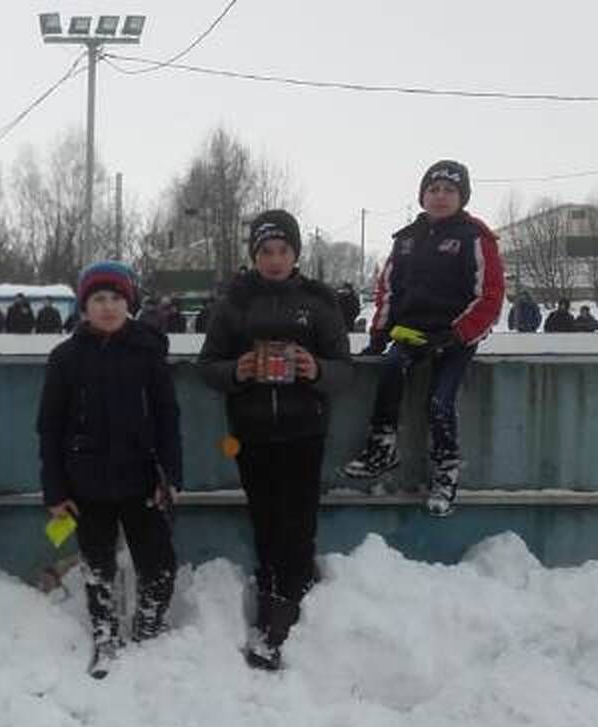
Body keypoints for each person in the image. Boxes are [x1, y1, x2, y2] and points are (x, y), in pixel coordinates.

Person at [199, 211, 350, 671]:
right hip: (252, 431)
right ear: (254, 256)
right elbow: (208, 365)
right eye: (266, 251)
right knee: (265, 519)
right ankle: (272, 595)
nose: (275, 260)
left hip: (305, 431)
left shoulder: (320, 301)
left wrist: (316, 370)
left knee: (299, 521)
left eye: (284, 250)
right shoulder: (235, 302)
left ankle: (289, 606)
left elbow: (344, 369)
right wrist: (237, 372)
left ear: (296, 254)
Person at [38, 260, 181, 678]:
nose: (108, 307)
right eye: (98, 299)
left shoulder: (148, 352)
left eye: (116, 297)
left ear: (129, 302)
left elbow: (167, 415)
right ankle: (105, 632)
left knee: (159, 565)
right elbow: (49, 427)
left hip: (143, 479)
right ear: (84, 306)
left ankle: (149, 627)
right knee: (97, 566)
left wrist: (170, 475)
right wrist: (55, 490)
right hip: (87, 483)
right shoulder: (65, 358)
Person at [341, 159, 504, 517]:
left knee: (439, 402)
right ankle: (383, 447)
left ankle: (446, 472)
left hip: (456, 336)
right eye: (434, 189)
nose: (441, 196)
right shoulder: (406, 240)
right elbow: (388, 290)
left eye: (449, 190)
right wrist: (379, 335)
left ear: (462, 197)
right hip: (412, 332)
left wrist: (455, 335)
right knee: (389, 368)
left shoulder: (476, 237)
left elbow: (490, 297)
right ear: (422, 196)